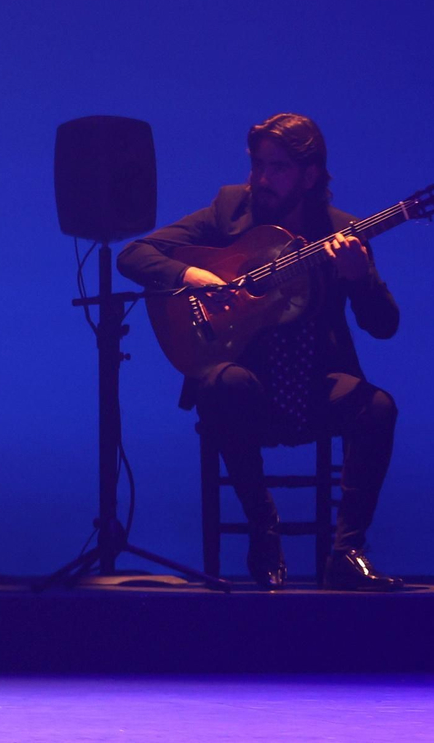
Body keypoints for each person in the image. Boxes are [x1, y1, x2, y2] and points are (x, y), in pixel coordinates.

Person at [117, 113, 404, 591]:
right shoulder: (231, 210)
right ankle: (263, 530)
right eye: (258, 165)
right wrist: (194, 277)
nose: (262, 180)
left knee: (378, 409)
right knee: (220, 384)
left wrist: (361, 277)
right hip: (249, 389)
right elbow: (135, 255)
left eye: (279, 168)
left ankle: (347, 552)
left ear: (310, 175)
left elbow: (384, 326)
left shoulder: (342, 232)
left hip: (315, 385)